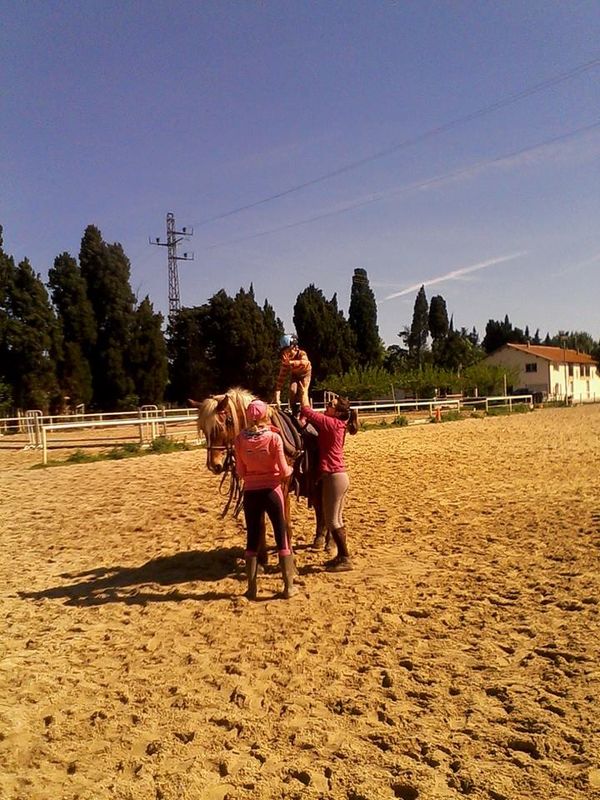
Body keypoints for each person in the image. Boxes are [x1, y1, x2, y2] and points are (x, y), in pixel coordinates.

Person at [234, 399, 297, 600]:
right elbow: (284, 470)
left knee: (252, 539)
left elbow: (240, 472)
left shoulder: (239, 439)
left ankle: (251, 588)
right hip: (272, 491)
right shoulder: (274, 438)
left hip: (250, 493)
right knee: (281, 537)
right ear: (264, 415)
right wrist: (291, 469)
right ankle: (288, 587)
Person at [299, 384, 358, 572]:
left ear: (337, 412)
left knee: (332, 521)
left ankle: (345, 558)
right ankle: (341, 556)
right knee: (337, 519)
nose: (327, 406)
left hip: (333, 477)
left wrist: (305, 390)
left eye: (331, 405)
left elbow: (306, 409)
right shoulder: (338, 424)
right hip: (339, 476)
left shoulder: (330, 423)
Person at [274, 334, 311, 415]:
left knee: (303, 393)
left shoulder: (302, 353)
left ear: (294, 347)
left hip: (305, 375)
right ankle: (294, 410)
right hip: (295, 375)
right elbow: (281, 378)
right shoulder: (286, 360)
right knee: (292, 390)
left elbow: (306, 363)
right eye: (285, 352)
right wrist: (277, 395)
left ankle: (307, 413)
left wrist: (291, 362)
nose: (286, 354)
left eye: (288, 350)